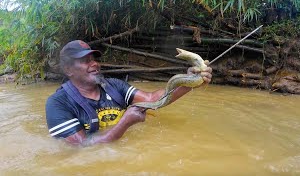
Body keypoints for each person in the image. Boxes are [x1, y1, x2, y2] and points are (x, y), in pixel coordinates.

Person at [45, 40, 212, 146]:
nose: (95, 64)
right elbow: (82, 147)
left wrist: (189, 82)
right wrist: (125, 123)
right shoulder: (58, 103)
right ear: (68, 70)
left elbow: (153, 99)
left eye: (95, 59)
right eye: (85, 61)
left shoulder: (114, 86)